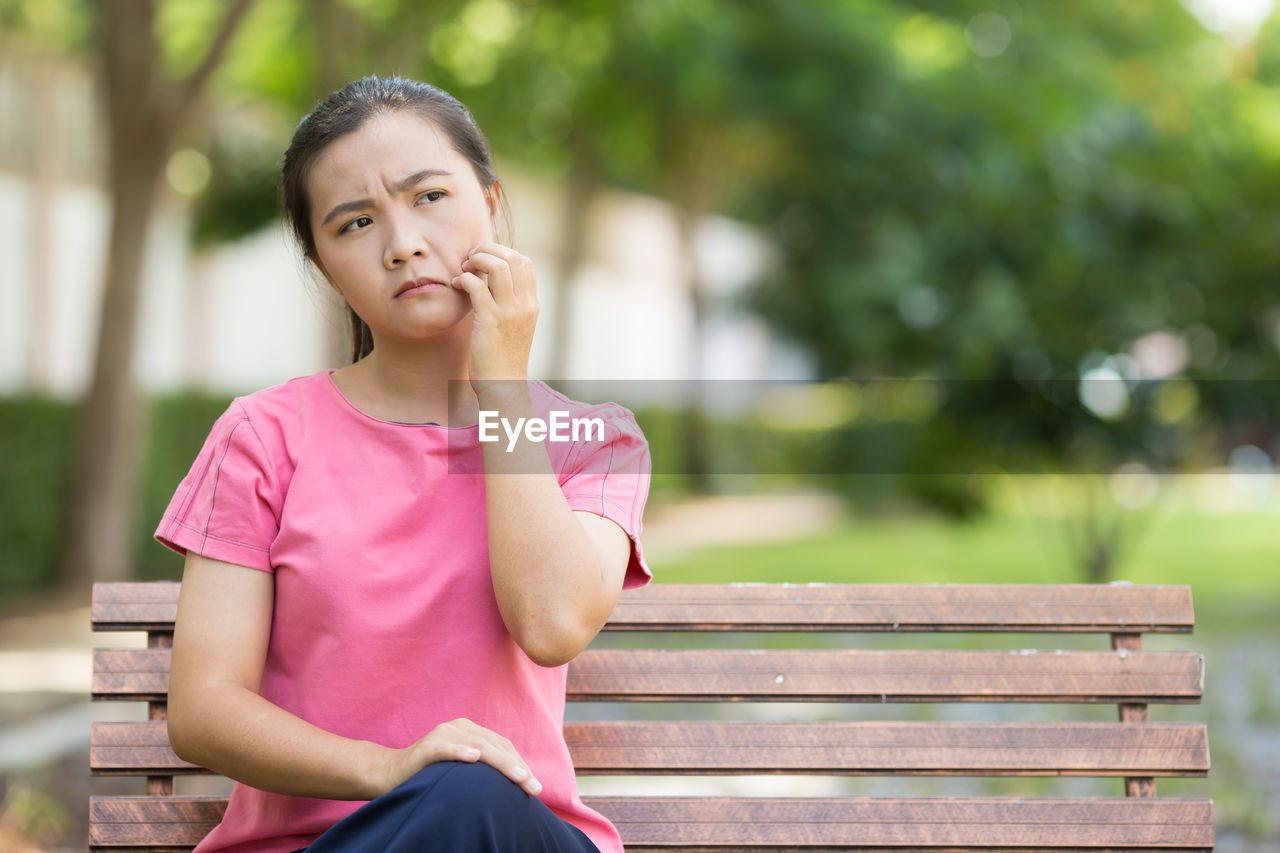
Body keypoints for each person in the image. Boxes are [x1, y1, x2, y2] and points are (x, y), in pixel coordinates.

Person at [155, 75, 652, 853]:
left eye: (428, 197)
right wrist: (389, 768)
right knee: (449, 787)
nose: (402, 244)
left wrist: (499, 386)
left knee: (469, 792)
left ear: (490, 205)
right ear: (323, 265)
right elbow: (204, 708)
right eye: (355, 223)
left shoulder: (592, 440)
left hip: (507, 835)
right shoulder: (263, 436)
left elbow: (552, 623)